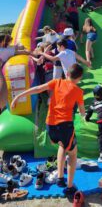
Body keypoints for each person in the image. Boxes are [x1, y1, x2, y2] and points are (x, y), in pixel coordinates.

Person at [11, 64, 86, 196]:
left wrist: (18, 96)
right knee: (73, 154)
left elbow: (38, 88)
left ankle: (60, 178)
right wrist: (84, 115)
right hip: (65, 127)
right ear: (79, 78)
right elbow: (82, 111)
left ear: (67, 73)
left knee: (62, 146)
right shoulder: (78, 91)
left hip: (50, 126)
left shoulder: (56, 82)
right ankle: (69, 186)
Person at [0, 34, 34, 113]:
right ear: (3, 42)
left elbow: (14, 47)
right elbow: (22, 51)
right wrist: (33, 53)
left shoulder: (5, 49)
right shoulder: (5, 50)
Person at [85, 85, 102, 163]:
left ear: (94, 94)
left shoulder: (94, 102)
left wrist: (87, 119)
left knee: (101, 136)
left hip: (101, 120)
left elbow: (89, 112)